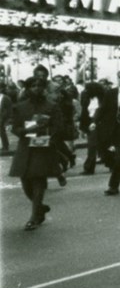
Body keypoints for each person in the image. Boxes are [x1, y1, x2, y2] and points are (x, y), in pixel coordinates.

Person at [11, 76, 66, 231]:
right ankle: (40, 208)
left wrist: (50, 137)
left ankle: (34, 217)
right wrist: (25, 131)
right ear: (28, 88)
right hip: (26, 147)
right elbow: (15, 127)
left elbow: (58, 126)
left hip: (43, 148)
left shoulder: (52, 106)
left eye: (40, 85)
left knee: (38, 181)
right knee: (26, 182)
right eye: (33, 85)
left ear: (44, 88)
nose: (37, 88)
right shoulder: (20, 107)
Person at [79, 78, 111, 175]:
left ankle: (111, 164)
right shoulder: (86, 98)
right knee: (92, 146)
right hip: (90, 122)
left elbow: (104, 111)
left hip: (101, 122)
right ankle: (89, 167)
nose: (86, 91)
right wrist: (83, 126)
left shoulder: (103, 98)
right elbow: (84, 112)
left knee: (101, 145)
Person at [0, 81, 14, 155]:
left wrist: (9, 120)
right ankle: (4, 145)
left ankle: (5, 146)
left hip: (2, 118)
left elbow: (9, 109)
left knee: (2, 132)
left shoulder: (6, 98)